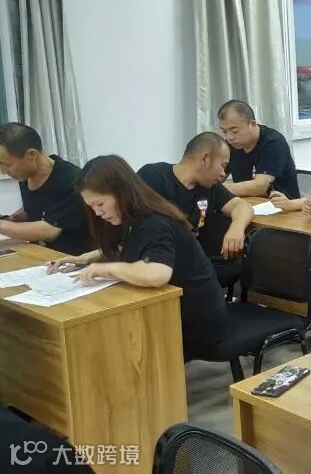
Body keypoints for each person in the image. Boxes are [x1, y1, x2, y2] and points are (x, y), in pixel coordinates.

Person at [49, 156, 228, 361]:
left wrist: (106, 269)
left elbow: (157, 273)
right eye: (91, 207)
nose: (97, 212)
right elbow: (131, 246)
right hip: (173, 311)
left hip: (196, 322)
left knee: (109, 345)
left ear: (121, 191)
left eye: (100, 203)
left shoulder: (155, 222)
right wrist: (85, 259)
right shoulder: (134, 217)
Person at [138, 132, 254, 289]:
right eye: (223, 165)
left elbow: (241, 206)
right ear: (205, 159)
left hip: (194, 262)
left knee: (233, 267)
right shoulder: (153, 176)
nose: (223, 174)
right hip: (162, 259)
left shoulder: (210, 187)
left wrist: (237, 227)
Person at [0, 123, 91, 255]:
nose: (3, 171)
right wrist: (12, 218)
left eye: (6, 165)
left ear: (31, 155)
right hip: (40, 253)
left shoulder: (71, 179)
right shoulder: (25, 175)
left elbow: (49, 231)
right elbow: (41, 205)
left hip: (72, 257)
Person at [218, 100, 300, 199]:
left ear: (252, 124)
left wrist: (217, 188)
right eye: (224, 132)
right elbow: (216, 177)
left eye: (234, 131)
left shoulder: (273, 142)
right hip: (247, 203)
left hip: (281, 205)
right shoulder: (229, 145)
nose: (229, 137)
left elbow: (260, 187)